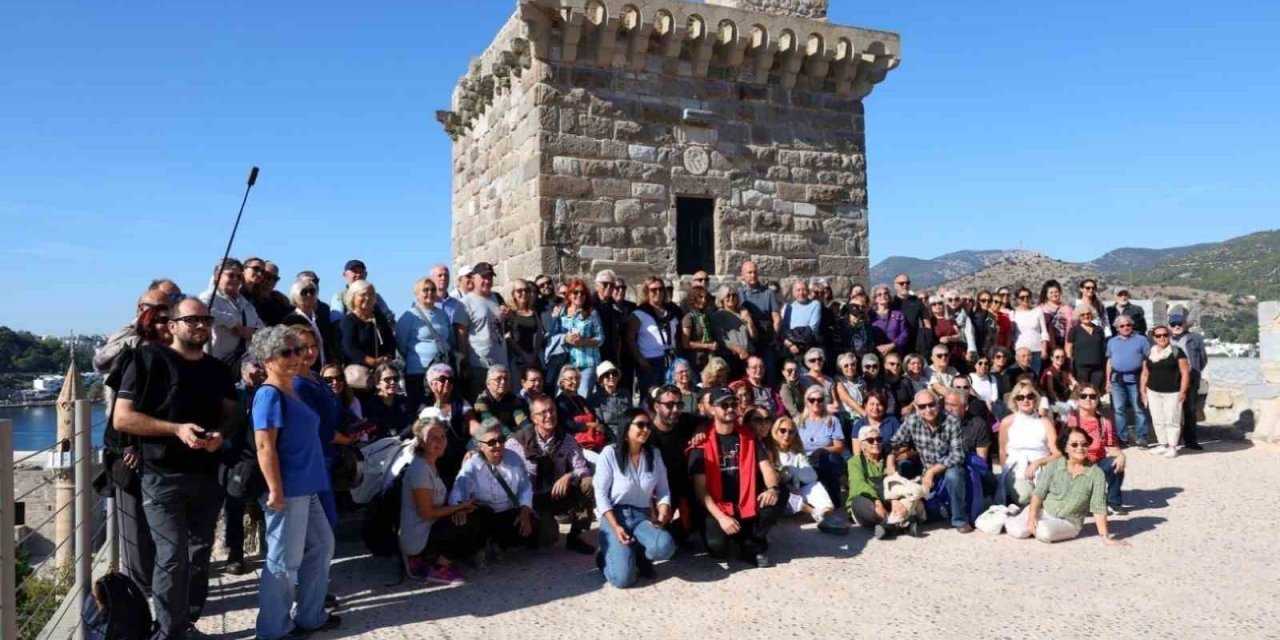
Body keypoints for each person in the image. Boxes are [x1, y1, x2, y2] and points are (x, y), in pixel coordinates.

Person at [113, 298, 238, 640]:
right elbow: (122, 417)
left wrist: (219, 436)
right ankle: (168, 633)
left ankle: (187, 624)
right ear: (173, 326)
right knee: (171, 557)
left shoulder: (218, 370)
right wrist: (176, 429)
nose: (200, 326)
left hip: (207, 475)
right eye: (192, 319)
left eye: (205, 320)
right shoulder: (145, 360)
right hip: (161, 475)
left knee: (199, 555)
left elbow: (231, 413)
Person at [248, 326, 339, 640]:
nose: (295, 357)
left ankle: (311, 616)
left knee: (322, 546)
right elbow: (264, 446)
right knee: (283, 562)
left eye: (297, 350)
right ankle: (273, 630)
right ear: (267, 360)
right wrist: (275, 489)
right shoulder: (268, 394)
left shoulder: (294, 388)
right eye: (285, 352)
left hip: (308, 485)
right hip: (288, 489)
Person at [95, 289, 172, 596]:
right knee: (135, 530)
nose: (170, 324)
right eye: (163, 318)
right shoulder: (132, 353)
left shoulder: (168, 356)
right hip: (128, 451)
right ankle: (141, 597)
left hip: (155, 452)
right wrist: (128, 445)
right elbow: (123, 410)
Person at [689, 388, 785, 567]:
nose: (730, 409)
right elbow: (701, 491)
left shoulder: (748, 437)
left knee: (780, 492)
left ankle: (752, 541)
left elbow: (767, 469)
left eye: (733, 404)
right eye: (724, 405)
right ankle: (738, 536)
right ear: (712, 409)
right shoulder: (701, 441)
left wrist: (773, 489)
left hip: (744, 502)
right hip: (717, 507)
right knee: (718, 550)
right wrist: (721, 518)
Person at [593, 408, 677, 588]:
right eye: (640, 425)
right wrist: (615, 527)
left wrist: (662, 514)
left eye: (648, 425)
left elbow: (663, 490)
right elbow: (600, 494)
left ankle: (637, 555)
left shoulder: (654, 454)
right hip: (615, 516)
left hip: (641, 516)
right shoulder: (609, 453)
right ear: (626, 428)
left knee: (665, 546)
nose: (645, 429)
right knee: (623, 580)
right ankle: (604, 558)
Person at [1004, 428, 1128, 546]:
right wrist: (1031, 517)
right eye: (1074, 445)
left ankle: (1031, 525)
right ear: (1065, 448)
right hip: (1045, 512)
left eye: (1084, 444)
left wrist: (1105, 537)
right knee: (1018, 531)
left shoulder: (1097, 474)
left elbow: (1098, 507)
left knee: (1044, 532)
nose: (1080, 448)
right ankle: (1009, 515)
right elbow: (1039, 493)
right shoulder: (1054, 466)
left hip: (1069, 522)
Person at [505, 394, 595, 554]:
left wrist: (569, 476)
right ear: (533, 418)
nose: (549, 416)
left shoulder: (566, 439)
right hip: (530, 500)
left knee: (587, 482)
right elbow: (498, 462)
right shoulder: (518, 442)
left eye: (552, 411)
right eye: (543, 413)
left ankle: (575, 537)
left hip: (555, 493)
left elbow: (582, 468)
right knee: (549, 538)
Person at [400, 416, 478, 584]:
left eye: (442, 436)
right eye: (433, 437)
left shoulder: (431, 464)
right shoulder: (420, 469)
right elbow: (427, 513)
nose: (440, 441)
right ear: (421, 441)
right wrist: (458, 508)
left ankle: (436, 559)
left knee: (469, 513)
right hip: (419, 537)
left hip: (429, 528)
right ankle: (436, 567)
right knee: (467, 520)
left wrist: (461, 508)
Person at [885, 390, 973, 532]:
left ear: (938, 404)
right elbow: (893, 443)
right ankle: (899, 521)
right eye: (922, 406)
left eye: (931, 405)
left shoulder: (952, 421)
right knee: (903, 474)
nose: (928, 410)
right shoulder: (912, 421)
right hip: (925, 471)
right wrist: (890, 464)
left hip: (948, 468)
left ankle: (960, 519)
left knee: (954, 475)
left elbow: (957, 456)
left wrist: (932, 471)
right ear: (917, 408)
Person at [447, 419, 537, 558]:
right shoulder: (473, 464)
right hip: (485, 515)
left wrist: (525, 511)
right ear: (480, 446)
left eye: (500, 440)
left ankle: (500, 543)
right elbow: (458, 490)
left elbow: (525, 487)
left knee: (541, 532)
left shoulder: (514, 458)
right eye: (491, 442)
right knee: (466, 520)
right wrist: (459, 507)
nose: (497, 445)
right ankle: (481, 546)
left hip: (508, 512)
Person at [763, 417, 843, 533]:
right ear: (775, 431)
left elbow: (811, 477)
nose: (787, 435)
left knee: (815, 486)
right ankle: (817, 514)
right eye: (783, 430)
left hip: (796, 488)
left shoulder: (797, 454)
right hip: (779, 495)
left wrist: (789, 469)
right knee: (784, 492)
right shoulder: (769, 451)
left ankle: (828, 515)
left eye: (791, 432)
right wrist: (787, 473)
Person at [647, 385, 705, 544]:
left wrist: (699, 430)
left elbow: (707, 422)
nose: (675, 409)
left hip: (686, 486)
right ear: (657, 406)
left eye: (679, 405)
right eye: (669, 405)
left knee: (701, 522)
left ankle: (680, 531)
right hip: (659, 490)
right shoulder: (647, 434)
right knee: (658, 542)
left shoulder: (684, 420)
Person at [1065, 384, 1127, 514]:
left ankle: (1113, 501)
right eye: (1084, 396)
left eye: (1093, 396)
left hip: (1097, 462)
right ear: (1078, 399)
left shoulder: (1105, 422)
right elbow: (1063, 445)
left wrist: (1121, 456)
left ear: (1098, 399)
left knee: (1115, 463)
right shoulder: (1071, 420)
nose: (1088, 399)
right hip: (1076, 462)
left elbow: (1112, 446)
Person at [847, 425, 918, 539]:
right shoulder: (854, 462)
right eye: (871, 440)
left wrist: (894, 499)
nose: (876, 443)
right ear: (862, 445)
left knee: (906, 495)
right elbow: (858, 484)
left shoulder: (889, 461)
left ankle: (888, 526)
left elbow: (896, 482)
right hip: (867, 500)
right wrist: (876, 500)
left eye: (879, 439)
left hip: (888, 500)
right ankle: (902, 524)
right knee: (859, 502)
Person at [997, 381, 1061, 506]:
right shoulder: (1007, 422)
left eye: (1030, 396)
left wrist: (1038, 463)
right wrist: (1004, 478)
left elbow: (1058, 453)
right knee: (1024, 497)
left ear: (1036, 399)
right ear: (1015, 401)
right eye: (1020, 397)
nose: (1025, 400)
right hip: (1016, 466)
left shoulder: (1045, 422)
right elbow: (1002, 450)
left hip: (1041, 464)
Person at [396, 276, 453, 414]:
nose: (430, 293)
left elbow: (450, 339)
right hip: (419, 373)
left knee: (441, 409)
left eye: (433, 290)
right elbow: (401, 344)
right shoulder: (408, 316)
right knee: (421, 411)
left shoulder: (442, 314)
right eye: (425, 290)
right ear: (417, 294)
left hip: (442, 371)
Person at [199, 258, 264, 374]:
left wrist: (252, 332)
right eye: (231, 275)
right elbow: (203, 312)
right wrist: (235, 325)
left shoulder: (246, 304)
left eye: (239, 276)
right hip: (217, 364)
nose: (235, 280)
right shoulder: (208, 297)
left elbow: (261, 328)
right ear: (217, 276)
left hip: (245, 364)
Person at [420, 363, 479, 486]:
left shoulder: (461, 403)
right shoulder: (424, 406)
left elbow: (473, 425)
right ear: (431, 384)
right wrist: (439, 401)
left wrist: (481, 442)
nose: (447, 383)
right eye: (442, 379)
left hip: (458, 454)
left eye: (450, 380)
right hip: (436, 457)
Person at [793, 386, 845, 521]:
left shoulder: (832, 420)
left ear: (824, 401)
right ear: (806, 402)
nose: (816, 403)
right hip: (804, 459)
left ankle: (833, 498)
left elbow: (839, 447)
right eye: (812, 400)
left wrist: (822, 450)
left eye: (820, 399)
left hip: (825, 457)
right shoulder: (798, 421)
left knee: (831, 460)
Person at [460, 263, 509, 400]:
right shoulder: (465, 303)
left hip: (501, 364)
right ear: (474, 278)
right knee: (481, 406)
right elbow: (461, 335)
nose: (487, 281)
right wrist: (465, 363)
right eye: (483, 277)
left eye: (490, 277)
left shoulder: (497, 298)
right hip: (480, 366)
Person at [629, 276, 681, 400]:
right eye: (653, 290)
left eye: (660, 289)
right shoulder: (639, 313)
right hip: (650, 361)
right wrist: (640, 360)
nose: (658, 292)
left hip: (671, 360)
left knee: (671, 396)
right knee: (651, 398)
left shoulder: (672, 312)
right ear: (647, 292)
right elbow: (630, 339)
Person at [1142, 325, 1190, 458]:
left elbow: (1185, 373)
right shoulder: (1149, 352)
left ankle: (1172, 446)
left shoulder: (1177, 351)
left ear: (1169, 336)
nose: (1162, 338)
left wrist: (1183, 391)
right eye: (1158, 336)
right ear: (1154, 338)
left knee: (1172, 419)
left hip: (1173, 392)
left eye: (1165, 335)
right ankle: (1162, 444)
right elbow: (1145, 373)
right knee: (1157, 419)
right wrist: (1143, 391)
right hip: (1153, 391)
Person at [339, 280, 396, 389]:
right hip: (358, 378)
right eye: (363, 295)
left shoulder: (380, 318)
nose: (367, 298)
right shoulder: (349, 321)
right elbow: (348, 347)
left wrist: (387, 356)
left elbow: (391, 341)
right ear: (353, 297)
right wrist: (370, 361)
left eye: (370, 294)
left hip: (381, 375)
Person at [1106, 314, 1152, 447]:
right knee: (1119, 409)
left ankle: (1142, 437)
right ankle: (1122, 438)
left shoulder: (1141, 340)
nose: (1126, 327)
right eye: (1122, 326)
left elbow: (1146, 360)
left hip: (1136, 379)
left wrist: (1145, 378)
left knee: (1139, 408)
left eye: (1128, 325)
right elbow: (1109, 361)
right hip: (1117, 380)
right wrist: (1108, 381)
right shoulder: (1112, 342)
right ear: (1117, 328)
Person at [552, 278, 603, 396]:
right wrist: (565, 338)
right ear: (569, 295)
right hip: (566, 363)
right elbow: (553, 335)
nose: (579, 295)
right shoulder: (561, 312)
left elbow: (600, 338)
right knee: (562, 396)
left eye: (583, 293)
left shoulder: (592, 313)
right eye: (575, 292)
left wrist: (583, 342)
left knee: (583, 396)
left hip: (587, 363)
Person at [738, 261, 782, 385]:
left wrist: (774, 336)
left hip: (766, 339)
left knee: (769, 371)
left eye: (755, 272)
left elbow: (776, 317)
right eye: (749, 272)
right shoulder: (740, 294)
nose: (753, 275)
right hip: (748, 340)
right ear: (743, 275)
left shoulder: (769, 293)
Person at [1169, 314, 1206, 450]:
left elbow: (1203, 359)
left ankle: (1191, 441)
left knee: (1190, 410)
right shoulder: (1165, 339)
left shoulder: (1196, 339)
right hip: (1171, 380)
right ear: (1170, 326)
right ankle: (1173, 440)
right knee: (1172, 410)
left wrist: (1194, 371)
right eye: (1173, 324)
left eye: (1179, 323)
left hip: (1191, 378)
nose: (1176, 326)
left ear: (1184, 324)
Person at [283, 277, 336, 371]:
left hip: (323, 370)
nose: (309, 295)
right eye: (304, 292)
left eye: (312, 291)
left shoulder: (321, 319)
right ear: (295, 296)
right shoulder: (291, 321)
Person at [329, 259, 393, 323]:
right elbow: (337, 322)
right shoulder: (339, 297)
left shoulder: (375, 297)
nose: (358, 275)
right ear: (345, 275)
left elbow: (389, 318)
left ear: (366, 274)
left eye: (361, 272)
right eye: (355, 271)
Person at [361, 363, 414, 440]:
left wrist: (399, 437)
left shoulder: (404, 402)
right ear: (377, 384)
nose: (392, 382)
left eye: (395, 379)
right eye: (387, 380)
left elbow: (410, 424)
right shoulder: (370, 405)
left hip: (402, 441)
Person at [711, 285, 754, 378]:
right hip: (731, 357)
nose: (731, 298)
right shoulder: (718, 315)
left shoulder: (742, 313)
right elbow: (721, 338)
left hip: (748, 356)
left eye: (734, 295)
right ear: (722, 298)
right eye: (728, 295)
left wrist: (749, 321)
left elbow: (754, 336)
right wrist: (739, 350)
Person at [473, 365, 529, 436]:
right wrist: (510, 436)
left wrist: (529, 432)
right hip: (486, 437)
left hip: (508, 436)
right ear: (488, 383)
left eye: (506, 379)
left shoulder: (513, 399)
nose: (503, 382)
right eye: (498, 379)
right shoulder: (481, 401)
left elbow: (521, 419)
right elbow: (491, 422)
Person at [506, 279, 546, 376]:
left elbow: (540, 333)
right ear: (513, 294)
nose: (523, 293)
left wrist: (534, 354)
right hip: (516, 359)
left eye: (526, 290)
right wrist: (524, 355)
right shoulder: (510, 313)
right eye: (519, 291)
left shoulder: (533, 312)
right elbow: (508, 336)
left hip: (533, 357)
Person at [1066, 302, 1108, 389]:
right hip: (1081, 368)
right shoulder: (1074, 330)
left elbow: (1103, 349)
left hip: (1098, 368)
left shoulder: (1099, 329)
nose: (1086, 316)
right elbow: (1068, 350)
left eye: (1088, 314)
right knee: (1082, 392)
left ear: (1092, 314)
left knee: (1096, 391)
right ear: (1079, 316)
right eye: (1082, 314)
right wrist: (1069, 369)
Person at [241, 257, 292, 327]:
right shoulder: (246, 298)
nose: (271, 281)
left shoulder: (280, 301)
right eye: (267, 276)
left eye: (275, 278)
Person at [1010, 287, 1049, 374]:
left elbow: (1044, 331)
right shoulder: (1012, 313)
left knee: (1035, 375)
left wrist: (1044, 349)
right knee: (1021, 376)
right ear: (1017, 299)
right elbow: (1012, 333)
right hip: (1020, 350)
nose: (1025, 299)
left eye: (1028, 296)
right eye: (1022, 297)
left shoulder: (1038, 311)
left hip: (1036, 350)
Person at [849, 390, 900, 457]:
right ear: (865, 406)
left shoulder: (892, 421)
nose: (875, 408)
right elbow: (857, 453)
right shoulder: (859, 425)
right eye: (872, 404)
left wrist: (890, 458)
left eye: (879, 404)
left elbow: (902, 445)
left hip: (892, 457)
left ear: (884, 407)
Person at [589, 361, 632, 440]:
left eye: (614, 373)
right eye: (607, 375)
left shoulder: (625, 393)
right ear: (601, 379)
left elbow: (631, 416)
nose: (611, 376)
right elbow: (600, 423)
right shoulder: (596, 398)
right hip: (608, 437)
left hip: (627, 434)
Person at [780, 280, 823, 359]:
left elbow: (813, 328)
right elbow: (785, 328)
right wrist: (790, 344)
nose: (801, 293)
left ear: (808, 291)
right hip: (791, 347)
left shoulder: (815, 304)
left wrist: (798, 346)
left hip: (808, 346)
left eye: (804, 290)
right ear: (793, 293)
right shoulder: (789, 307)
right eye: (798, 290)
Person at [680, 285, 717, 371]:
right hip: (695, 360)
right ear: (693, 299)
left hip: (708, 359)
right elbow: (685, 343)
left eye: (705, 298)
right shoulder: (689, 318)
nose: (703, 300)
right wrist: (707, 346)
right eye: (700, 297)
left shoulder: (706, 317)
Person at [892, 274, 927, 356]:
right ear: (895, 286)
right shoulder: (891, 303)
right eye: (901, 283)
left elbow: (926, 323)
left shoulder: (917, 301)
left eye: (907, 283)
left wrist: (926, 342)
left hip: (915, 345)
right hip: (896, 346)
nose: (905, 285)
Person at [1038, 279, 1073, 350]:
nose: (1054, 294)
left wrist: (1068, 345)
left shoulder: (1067, 309)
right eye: (1051, 292)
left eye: (1056, 292)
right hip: (1047, 344)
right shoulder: (1040, 309)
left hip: (1064, 342)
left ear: (1060, 292)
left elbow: (1070, 327)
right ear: (1046, 294)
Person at [1039, 347, 1074, 418]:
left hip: (1065, 399)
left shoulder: (1065, 371)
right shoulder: (1049, 372)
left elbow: (1073, 384)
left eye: (1062, 357)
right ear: (1052, 358)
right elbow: (1051, 392)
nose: (1060, 359)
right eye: (1057, 357)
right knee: (1069, 409)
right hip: (1053, 402)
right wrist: (1061, 403)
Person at [834, 352, 866, 425]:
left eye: (852, 364)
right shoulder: (838, 381)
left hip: (861, 413)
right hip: (848, 416)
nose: (850, 367)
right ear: (840, 368)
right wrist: (865, 414)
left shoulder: (861, 381)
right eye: (846, 366)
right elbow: (848, 400)